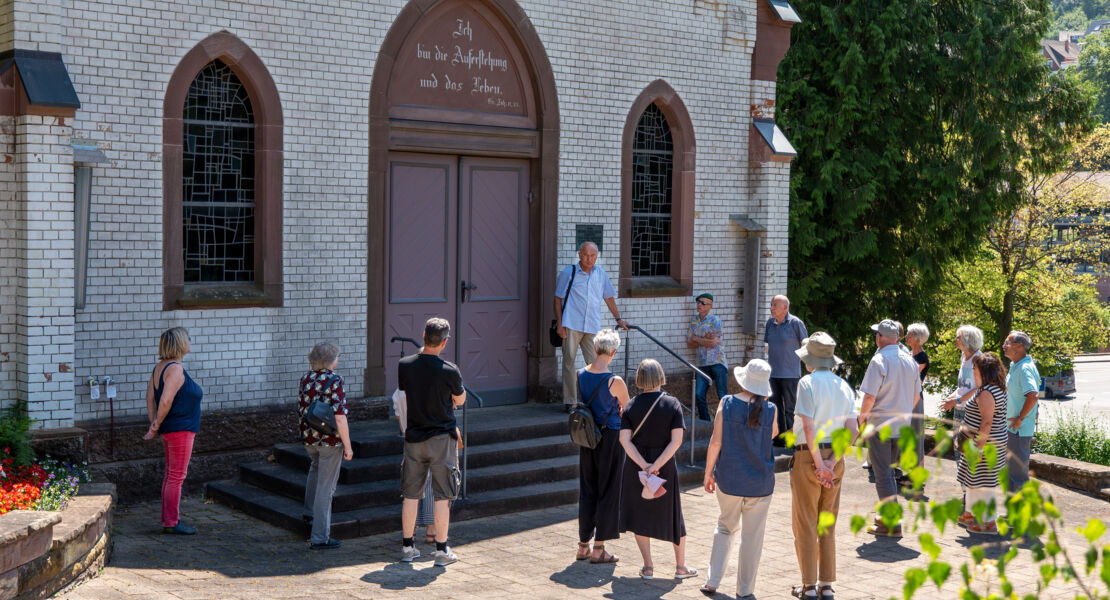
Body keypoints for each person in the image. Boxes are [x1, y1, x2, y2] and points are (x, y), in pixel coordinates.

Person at [701, 359, 778, 599]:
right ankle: (745, 590)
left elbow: (716, 441)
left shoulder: (727, 403)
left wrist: (708, 472)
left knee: (725, 527)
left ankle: (713, 581)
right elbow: (773, 433)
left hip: (730, 478)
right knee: (752, 537)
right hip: (761, 482)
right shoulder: (771, 409)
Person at [789, 334, 858, 599]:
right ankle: (827, 585)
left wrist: (819, 464)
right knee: (826, 522)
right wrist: (832, 462)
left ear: (811, 359)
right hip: (835, 457)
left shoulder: (806, 383)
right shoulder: (844, 385)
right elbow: (853, 429)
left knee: (806, 522)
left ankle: (807, 585)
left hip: (810, 454)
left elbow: (808, 426)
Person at [619, 359, 697, 581]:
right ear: (661, 376)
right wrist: (657, 466)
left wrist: (644, 465)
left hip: (636, 468)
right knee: (673, 515)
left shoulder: (631, 406)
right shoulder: (672, 404)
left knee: (639, 515)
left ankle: (648, 567)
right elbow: (676, 442)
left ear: (640, 379)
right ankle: (680, 567)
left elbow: (624, 440)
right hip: (664, 467)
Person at [398, 318, 466, 567]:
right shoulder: (449, 370)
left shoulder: (405, 365)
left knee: (410, 494)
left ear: (423, 335)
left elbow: (406, 393)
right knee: (442, 495)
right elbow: (461, 399)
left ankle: (407, 547)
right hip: (441, 438)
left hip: (414, 436)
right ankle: (441, 550)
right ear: (445, 342)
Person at [858, 319, 921, 536]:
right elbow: (916, 396)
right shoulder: (909, 360)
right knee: (890, 472)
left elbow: (869, 396)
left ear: (881, 337)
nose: (875, 337)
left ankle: (891, 522)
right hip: (901, 425)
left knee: (882, 473)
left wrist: (861, 419)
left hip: (881, 426)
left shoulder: (879, 360)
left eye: (877, 334)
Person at [575, 329, 631, 563]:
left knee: (588, 489)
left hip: (587, 436)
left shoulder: (580, 374)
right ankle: (599, 548)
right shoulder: (614, 380)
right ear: (613, 352)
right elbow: (627, 408)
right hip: (610, 437)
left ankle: (583, 546)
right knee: (608, 490)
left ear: (596, 349)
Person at [143, 327, 203, 535]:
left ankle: (169, 519)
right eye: (188, 338)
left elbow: (150, 398)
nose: (190, 340)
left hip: (171, 429)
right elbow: (165, 399)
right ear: (179, 343)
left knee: (171, 475)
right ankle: (171, 522)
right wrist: (156, 425)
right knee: (176, 476)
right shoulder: (175, 369)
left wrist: (155, 423)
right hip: (180, 429)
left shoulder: (159, 367)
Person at [555, 241, 628, 412]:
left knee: (596, 363)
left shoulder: (600, 274)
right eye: (586, 255)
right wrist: (560, 324)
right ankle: (571, 402)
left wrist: (618, 319)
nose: (589, 259)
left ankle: (597, 400)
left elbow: (608, 297)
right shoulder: (569, 272)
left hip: (592, 326)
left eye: (593, 255)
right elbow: (557, 299)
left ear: (597, 256)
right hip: (571, 324)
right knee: (569, 362)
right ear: (580, 255)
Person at [297, 342, 354, 550]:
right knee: (326, 488)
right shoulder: (335, 380)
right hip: (329, 440)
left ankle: (309, 514)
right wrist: (347, 446)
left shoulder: (306, 378)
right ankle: (320, 537)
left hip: (310, 438)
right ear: (331, 361)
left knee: (315, 469)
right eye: (336, 357)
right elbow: (340, 418)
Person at [955, 353, 1009, 535]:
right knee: (973, 479)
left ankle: (988, 522)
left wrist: (978, 448)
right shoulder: (993, 388)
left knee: (984, 482)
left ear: (984, 371)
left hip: (986, 445)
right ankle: (969, 514)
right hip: (987, 442)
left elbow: (986, 423)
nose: (972, 370)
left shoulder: (987, 392)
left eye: (975, 368)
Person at [765, 295, 808, 445]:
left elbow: (805, 345)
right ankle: (778, 440)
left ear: (785, 307)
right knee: (775, 408)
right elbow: (767, 345)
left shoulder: (795, 323)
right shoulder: (770, 323)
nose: (772, 308)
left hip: (790, 374)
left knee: (790, 409)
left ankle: (793, 442)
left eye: (775, 305)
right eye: (771, 305)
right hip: (773, 373)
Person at [1003, 331, 1040, 492]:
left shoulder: (1024, 368)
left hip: (1018, 430)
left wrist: (1020, 418)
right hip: (1013, 429)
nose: (1004, 346)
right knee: (1011, 472)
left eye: (1007, 343)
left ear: (1019, 346)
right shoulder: (1016, 366)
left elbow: (1033, 395)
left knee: (1018, 474)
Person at [687, 293, 728, 420]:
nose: (699, 305)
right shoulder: (694, 320)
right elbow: (689, 343)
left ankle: (726, 422)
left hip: (717, 362)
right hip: (702, 364)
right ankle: (706, 422)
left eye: (703, 303)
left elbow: (713, 343)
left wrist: (697, 338)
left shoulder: (715, 320)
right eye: (698, 302)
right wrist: (703, 339)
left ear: (710, 306)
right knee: (699, 394)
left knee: (722, 395)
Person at [902, 323, 931, 486]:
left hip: (915, 400)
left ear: (918, 339)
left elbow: (911, 378)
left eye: (910, 334)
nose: (906, 337)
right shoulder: (909, 354)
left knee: (916, 437)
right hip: (907, 399)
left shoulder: (921, 358)